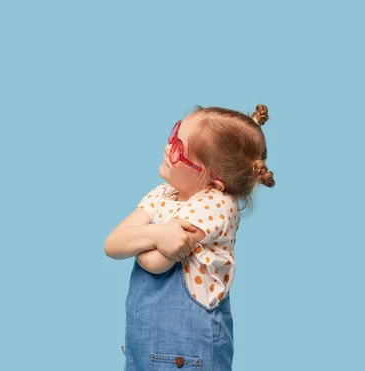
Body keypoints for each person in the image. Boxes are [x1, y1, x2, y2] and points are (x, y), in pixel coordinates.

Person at [104, 104, 276, 371]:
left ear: (212, 179)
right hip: (144, 348)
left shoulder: (218, 204)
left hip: (188, 357)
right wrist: (158, 233)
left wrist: (138, 237)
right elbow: (113, 244)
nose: (166, 148)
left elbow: (153, 263)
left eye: (179, 149)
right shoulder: (162, 194)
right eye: (173, 137)